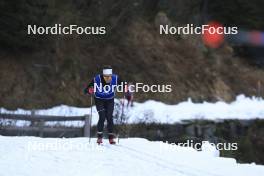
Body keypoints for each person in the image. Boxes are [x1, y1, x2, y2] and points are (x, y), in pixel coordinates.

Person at [84, 65, 124, 144]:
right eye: (106, 77)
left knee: (109, 117)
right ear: (103, 76)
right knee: (102, 117)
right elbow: (86, 90)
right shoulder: (96, 79)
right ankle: (99, 138)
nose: (108, 78)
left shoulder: (115, 78)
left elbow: (123, 84)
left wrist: (125, 88)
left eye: (109, 76)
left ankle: (111, 138)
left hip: (110, 100)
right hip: (99, 100)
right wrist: (89, 90)